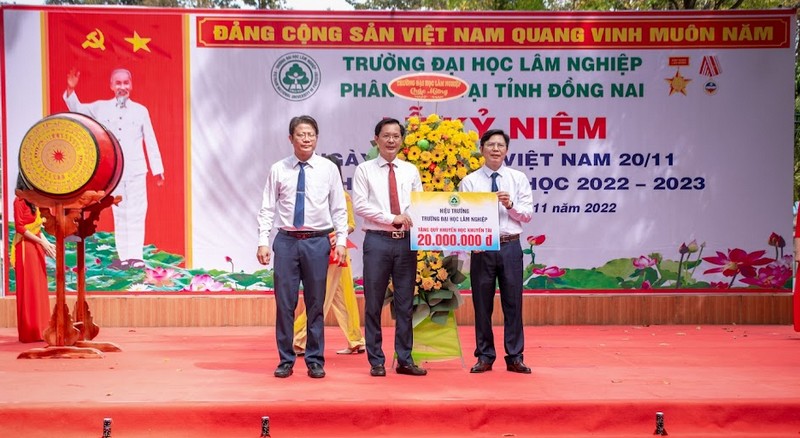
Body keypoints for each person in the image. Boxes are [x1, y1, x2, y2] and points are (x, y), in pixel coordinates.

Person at [256, 115, 348, 379]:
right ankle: (285, 360)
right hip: (286, 242)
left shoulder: (328, 169)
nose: (306, 139)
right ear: (291, 138)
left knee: (315, 303)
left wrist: (341, 241)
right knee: (285, 303)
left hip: (317, 242)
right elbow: (267, 208)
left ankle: (315, 360)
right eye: (301, 134)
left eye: (311, 135)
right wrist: (263, 241)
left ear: (316, 138)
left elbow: (339, 208)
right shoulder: (279, 169)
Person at [64, 68, 164, 270]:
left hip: (136, 170)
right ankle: (124, 257)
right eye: (118, 83)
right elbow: (77, 109)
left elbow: (151, 139)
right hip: (115, 171)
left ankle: (136, 257)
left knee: (137, 212)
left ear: (131, 85)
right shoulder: (101, 108)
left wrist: (158, 169)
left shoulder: (141, 110)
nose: (122, 87)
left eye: (126, 83)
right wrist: (71, 89)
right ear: (111, 86)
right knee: (120, 213)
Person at [353, 118, 426, 377]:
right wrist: (392, 218)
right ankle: (376, 360)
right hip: (377, 241)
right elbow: (360, 205)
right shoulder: (364, 170)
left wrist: (408, 217)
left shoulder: (410, 170)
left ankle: (404, 359)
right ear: (377, 139)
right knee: (373, 303)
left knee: (405, 303)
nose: (391, 140)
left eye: (396, 136)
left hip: (406, 242)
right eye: (386, 135)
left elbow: (419, 202)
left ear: (402, 140)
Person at [458, 129, 533, 374]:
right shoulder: (470, 181)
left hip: (510, 245)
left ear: (507, 150)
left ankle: (515, 356)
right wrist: (471, 241)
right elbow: (463, 217)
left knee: (513, 303)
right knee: (482, 304)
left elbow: (527, 215)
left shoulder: (518, 178)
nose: (495, 149)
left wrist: (510, 205)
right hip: (482, 249)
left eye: (500, 145)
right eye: (490, 145)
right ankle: (485, 355)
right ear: (481, 149)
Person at [292, 155, 366, 356]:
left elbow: (350, 224)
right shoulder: (316, 193)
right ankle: (356, 339)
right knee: (341, 296)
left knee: (321, 294)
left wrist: (336, 236)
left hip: (335, 251)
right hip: (319, 248)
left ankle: (300, 339)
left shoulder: (342, 195)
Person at [11, 178, 56, 343]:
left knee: (39, 286)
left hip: (36, 246)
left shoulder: (34, 201)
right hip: (25, 247)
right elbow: (20, 228)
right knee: (29, 287)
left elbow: (37, 228)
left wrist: (46, 243)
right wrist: (41, 243)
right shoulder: (19, 201)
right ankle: (30, 332)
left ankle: (42, 329)